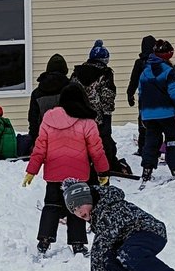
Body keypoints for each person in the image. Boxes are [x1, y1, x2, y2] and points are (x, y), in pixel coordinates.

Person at [23, 83, 109, 255]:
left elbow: (40, 148)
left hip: (54, 173)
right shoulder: (87, 121)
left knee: (52, 205)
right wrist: (103, 172)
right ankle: (78, 244)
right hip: (78, 174)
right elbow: (96, 150)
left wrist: (32, 170)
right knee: (77, 207)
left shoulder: (49, 118)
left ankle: (44, 241)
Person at [63, 178, 175, 271]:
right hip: (129, 238)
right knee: (109, 258)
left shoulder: (109, 209)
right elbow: (102, 253)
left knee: (128, 253)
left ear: (87, 199)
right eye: (73, 210)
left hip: (150, 231)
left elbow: (99, 247)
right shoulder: (97, 213)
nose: (78, 212)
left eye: (79, 205)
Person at [71, 39, 130, 175]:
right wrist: (107, 112)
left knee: (83, 141)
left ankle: (84, 165)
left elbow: (71, 93)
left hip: (79, 115)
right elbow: (107, 95)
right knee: (103, 140)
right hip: (99, 115)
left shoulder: (76, 73)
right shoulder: (105, 73)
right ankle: (106, 165)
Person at [136, 40, 175, 181]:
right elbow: (174, 93)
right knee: (172, 139)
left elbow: (140, 94)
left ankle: (147, 169)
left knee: (151, 141)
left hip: (148, 114)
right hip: (166, 113)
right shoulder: (169, 71)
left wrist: (142, 113)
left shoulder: (144, 72)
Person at [26, 53, 71, 145]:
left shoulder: (37, 93)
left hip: (45, 141)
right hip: (70, 140)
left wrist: (35, 143)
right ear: (65, 70)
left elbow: (33, 121)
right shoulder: (72, 89)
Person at [126, 34, 157, 154]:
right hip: (159, 97)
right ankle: (156, 147)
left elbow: (133, 80)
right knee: (157, 122)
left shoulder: (140, 63)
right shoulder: (159, 61)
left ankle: (142, 147)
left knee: (143, 121)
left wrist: (130, 94)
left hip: (144, 97)